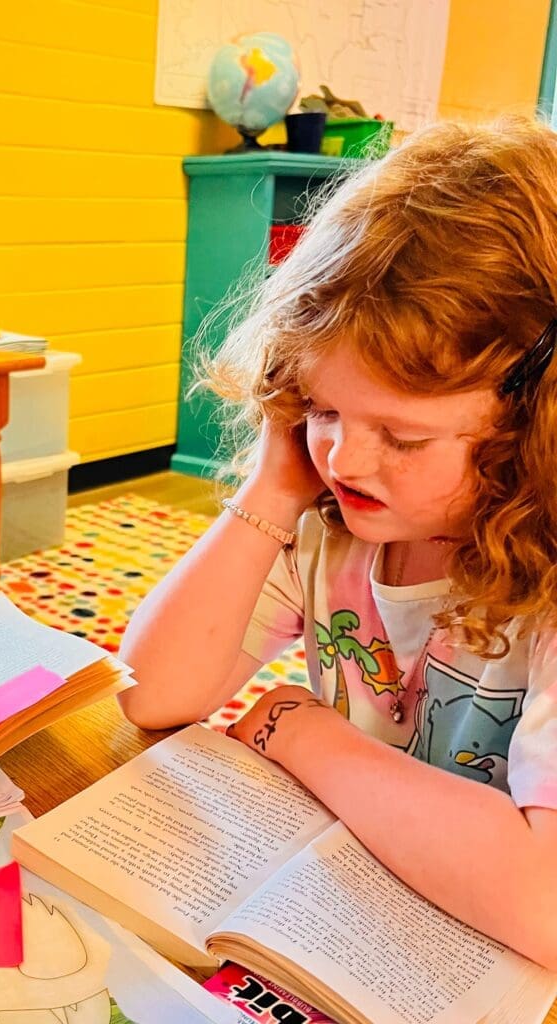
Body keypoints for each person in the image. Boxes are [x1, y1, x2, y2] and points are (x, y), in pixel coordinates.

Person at [119, 117, 557, 970]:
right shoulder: (331, 521)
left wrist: (301, 729)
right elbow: (154, 692)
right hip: (366, 893)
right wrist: (274, 487)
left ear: (533, 435)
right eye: (321, 409)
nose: (345, 459)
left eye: (403, 436)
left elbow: (548, 907)